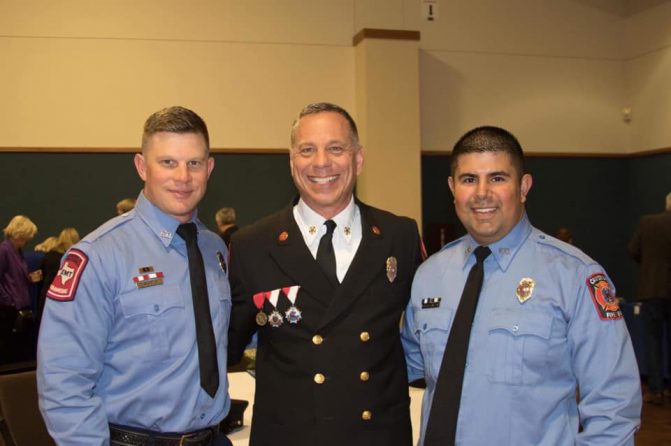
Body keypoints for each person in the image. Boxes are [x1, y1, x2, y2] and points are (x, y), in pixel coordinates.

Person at [402, 126, 641, 445]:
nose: (482, 193)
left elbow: (614, 407)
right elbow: (402, 370)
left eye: (497, 178)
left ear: (523, 187)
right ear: (452, 188)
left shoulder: (574, 276)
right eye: (469, 179)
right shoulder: (429, 275)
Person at [227, 102, 422, 446]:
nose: (321, 162)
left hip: (377, 436)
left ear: (358, 159)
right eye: (307, 150)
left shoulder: (399, 236)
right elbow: (226, 347)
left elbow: (427, 337)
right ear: (292, 162)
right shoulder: (253, 246)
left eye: (336, 148)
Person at [37, 106, 233, 446]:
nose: (183, 177)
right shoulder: (99, 256)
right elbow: (63, 382)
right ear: (142, 166)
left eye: (194, 163)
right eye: (168, 162)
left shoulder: (213, 248)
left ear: (210, 168)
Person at [628, 192, 671, 404]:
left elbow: (633, 250)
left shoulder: (647, 223)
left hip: (652, 288)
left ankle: (656, 389)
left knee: (653, 340)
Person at [0, 215, 39, 364]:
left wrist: (30, 278)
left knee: (22, 347)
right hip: (10, 307)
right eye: (27, 236)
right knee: (11, 348)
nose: (28, 240)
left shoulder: (19, 251)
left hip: (21, 305)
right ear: (20, 233)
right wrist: (8, 300)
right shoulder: (4, 250)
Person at [37, 227, 80, 322]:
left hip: (46, 297)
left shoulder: (49, 255)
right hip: (64, 299)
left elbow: (40, 276)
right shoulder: (73, 259)